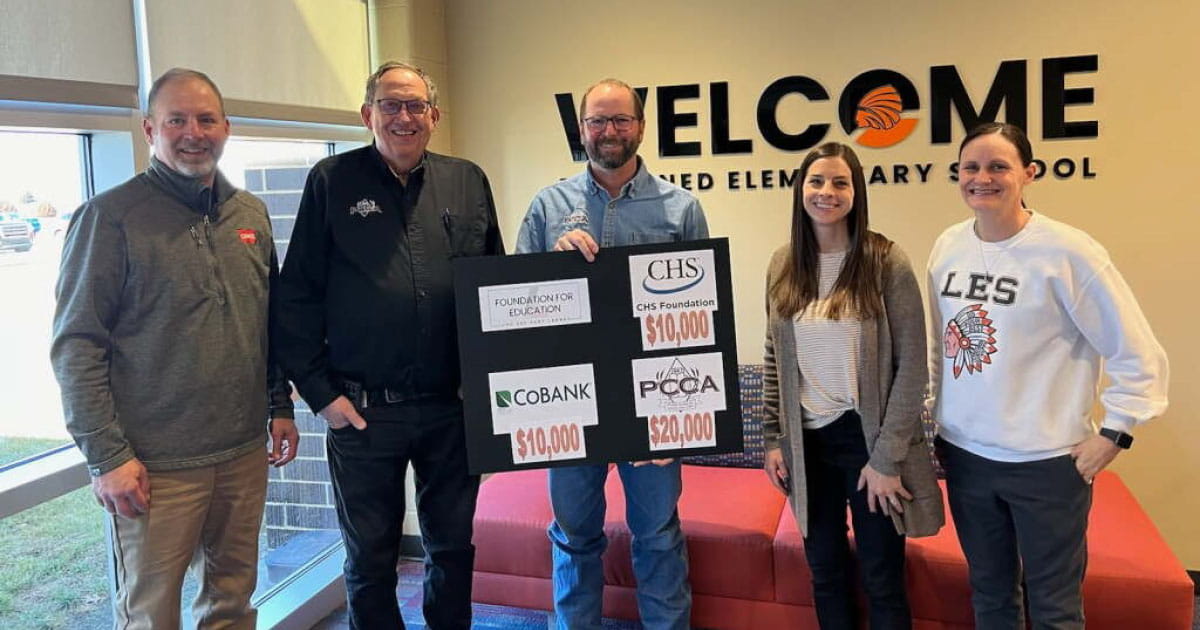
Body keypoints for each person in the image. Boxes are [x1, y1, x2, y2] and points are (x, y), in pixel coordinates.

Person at [51, 67, 297, 629]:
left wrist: (278, 405)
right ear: (149, 130)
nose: (193, 132)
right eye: (176, 120)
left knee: (232, 604)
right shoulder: (109, 218)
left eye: (206, 119)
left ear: (226, 128)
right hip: (154, 468)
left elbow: (268, 324)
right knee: (151, 614)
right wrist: (107, 457)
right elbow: (76, 346)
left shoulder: (250, 214)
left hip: (241, 454)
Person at [273, 61, 503, 630]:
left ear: (434, 115)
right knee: (371, 559)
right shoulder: (331, 181)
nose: (404, 117)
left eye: (415, 106)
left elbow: (496, 288)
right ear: (367, 113)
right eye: (390, 105)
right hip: (362, 411)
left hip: (452, 408)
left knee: (452, 548)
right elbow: (296, 295)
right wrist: (322, 395)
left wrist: (495, 393)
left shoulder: (467, 180)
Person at [927, 122, 1169, 629]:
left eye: (998, 166)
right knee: (990, 595)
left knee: (1055, 608)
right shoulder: (948, 246)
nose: (982, 178)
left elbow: (1139, 353)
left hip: (1046, 463)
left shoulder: (1068, 252)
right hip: (966, 458)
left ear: (1029, 173)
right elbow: (940, 344)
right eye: (971, 167)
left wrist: (1115, 433)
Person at [515, 78, 708, 630]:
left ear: (641, 127)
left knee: (658, 534)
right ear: (581, 130)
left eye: (620, 120)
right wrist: (551, 264)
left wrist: (683, 424)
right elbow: (516, 310)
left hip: (655, 402)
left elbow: (699, 321)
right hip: (571, 400)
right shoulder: (548, 207)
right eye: (597, 120)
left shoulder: (681, 209)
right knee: (574, 535)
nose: (609, 131)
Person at [761, 142, 943, 630]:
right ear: (800, 189)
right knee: (824, 571)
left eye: (840, 182)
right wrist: (774, 439)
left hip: (868, 443)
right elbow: (775, 359)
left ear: (856, 192)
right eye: (816, 181)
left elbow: (912, 369)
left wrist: (886, 460)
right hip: (807, 443)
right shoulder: (783, 264)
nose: (827, 192)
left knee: (882, 576)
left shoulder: (885, 260)